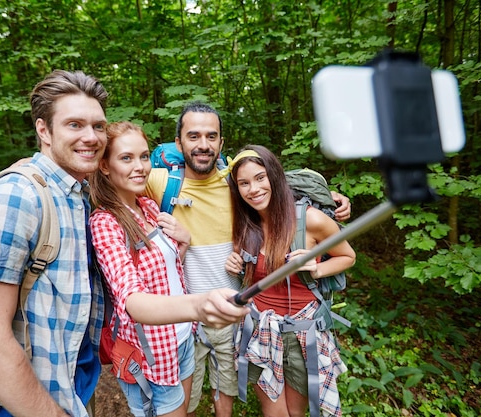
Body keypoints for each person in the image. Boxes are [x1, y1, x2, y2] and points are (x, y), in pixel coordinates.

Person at [144, 102, 352, 417]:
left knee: (280, 407)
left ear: (221, 144)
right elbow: (119, 176)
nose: (203, 144)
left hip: (273, 322)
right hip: (225, 320)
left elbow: (275, 184)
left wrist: (334, 200)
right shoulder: (163, 183)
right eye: (194, 136)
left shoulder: (244, 188)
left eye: (211, 136)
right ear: (179, 143)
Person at [0, 70, 109, 417]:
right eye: (74, 125)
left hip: (71, 390)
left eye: (99, 126)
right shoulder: (14, 198)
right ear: (43, 130)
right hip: (25, 403)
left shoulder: (76, 195)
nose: (92, 137)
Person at [89, 121, 250, 417]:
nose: (139, 167)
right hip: (152, 353)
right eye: (126, 158)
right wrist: (200, 305)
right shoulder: (106, 223)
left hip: (183, 338)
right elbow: (131, 300)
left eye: (144, 156)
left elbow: (167, 270)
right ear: (104, 166)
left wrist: (184, 243)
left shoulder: (149, 207)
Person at [223, 145, 356, 417]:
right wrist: (235, 265)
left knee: (295, 413)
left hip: (303, 334)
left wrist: (316, 268)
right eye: (244, 183)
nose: (254, 189)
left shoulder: (310, 220)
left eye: (260, 178)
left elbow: (347, 256)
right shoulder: (246, 224)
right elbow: (254, 276)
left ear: (274, 175)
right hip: (261, 331)